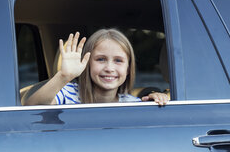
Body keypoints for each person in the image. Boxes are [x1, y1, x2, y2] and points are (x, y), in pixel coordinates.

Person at [24, 29, 169, 106]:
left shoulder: (132, 104)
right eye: (101, 59)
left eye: (118, 61)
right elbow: (33, 105)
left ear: (128, 68)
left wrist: (158, 99)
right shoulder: (68, 93)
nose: (109, 68)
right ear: (87, 63)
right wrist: (63, 76)